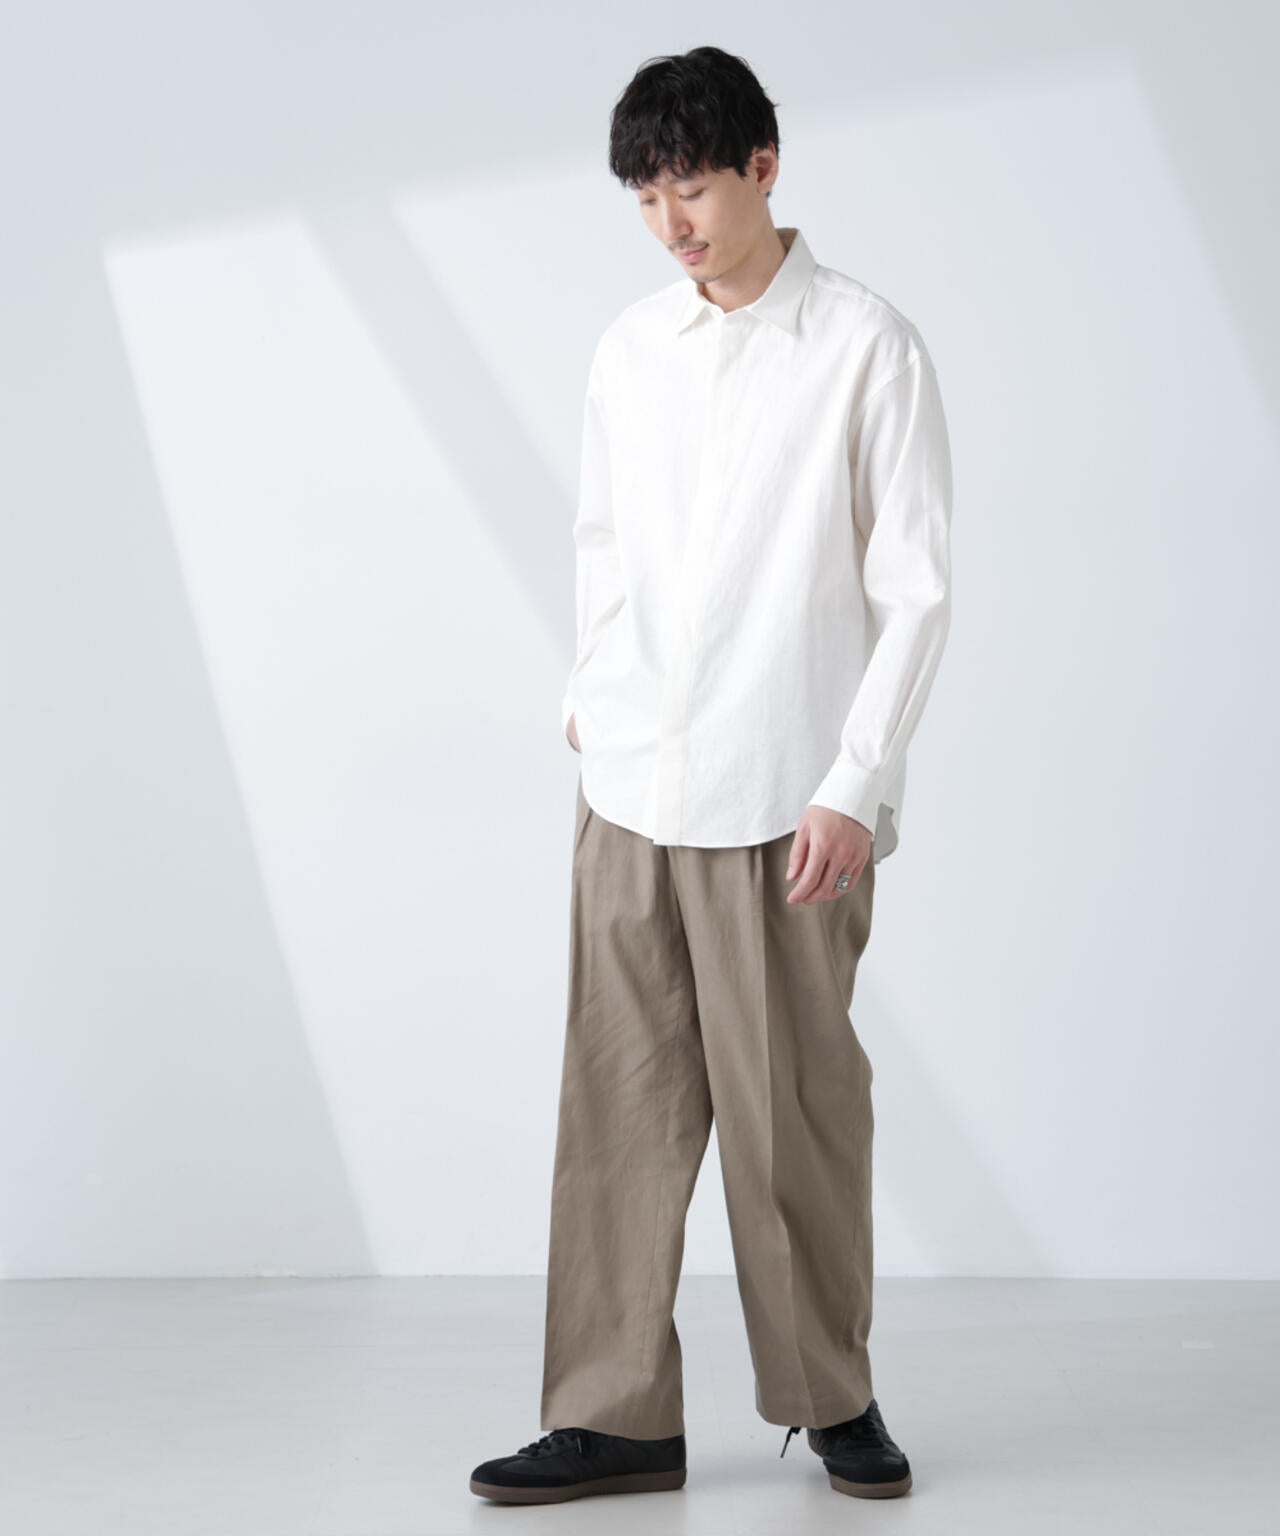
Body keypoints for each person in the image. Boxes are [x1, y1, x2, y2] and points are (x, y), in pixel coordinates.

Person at [470, 44, 952, 1506]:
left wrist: (855, 780)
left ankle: (832, 1396)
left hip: (786, 797)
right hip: (630, 783)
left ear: (764, 166)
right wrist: (588, 690)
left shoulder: (867, 347)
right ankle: (614, 1413)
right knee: (616, 1106)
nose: (671, 222)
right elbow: (602, 541)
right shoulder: (631, 350)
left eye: (690, 186)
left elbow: (917, 589)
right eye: (645, 197)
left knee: (793, 1113)